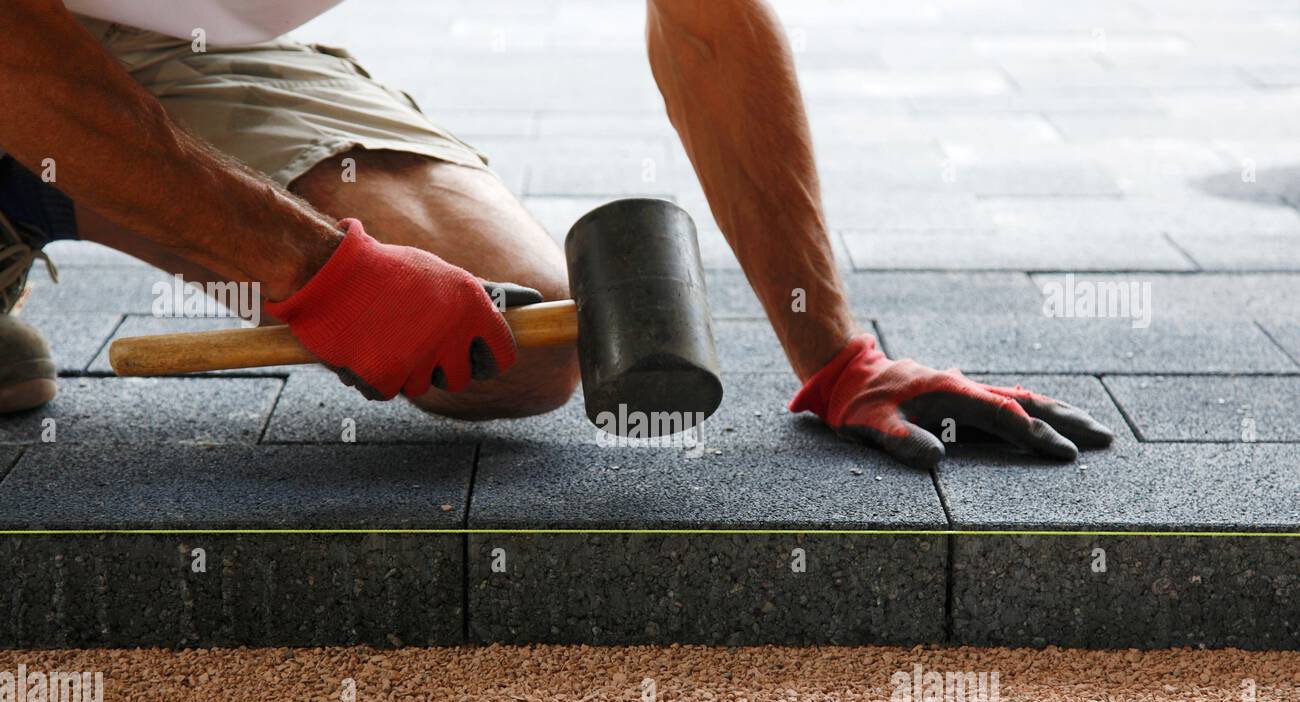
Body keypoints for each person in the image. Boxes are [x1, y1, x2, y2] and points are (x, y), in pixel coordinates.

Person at [0, 0, 1112, 468]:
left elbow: (708, 23)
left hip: (170, 38)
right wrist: (311, 274)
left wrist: (836, 357)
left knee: (514, 340)